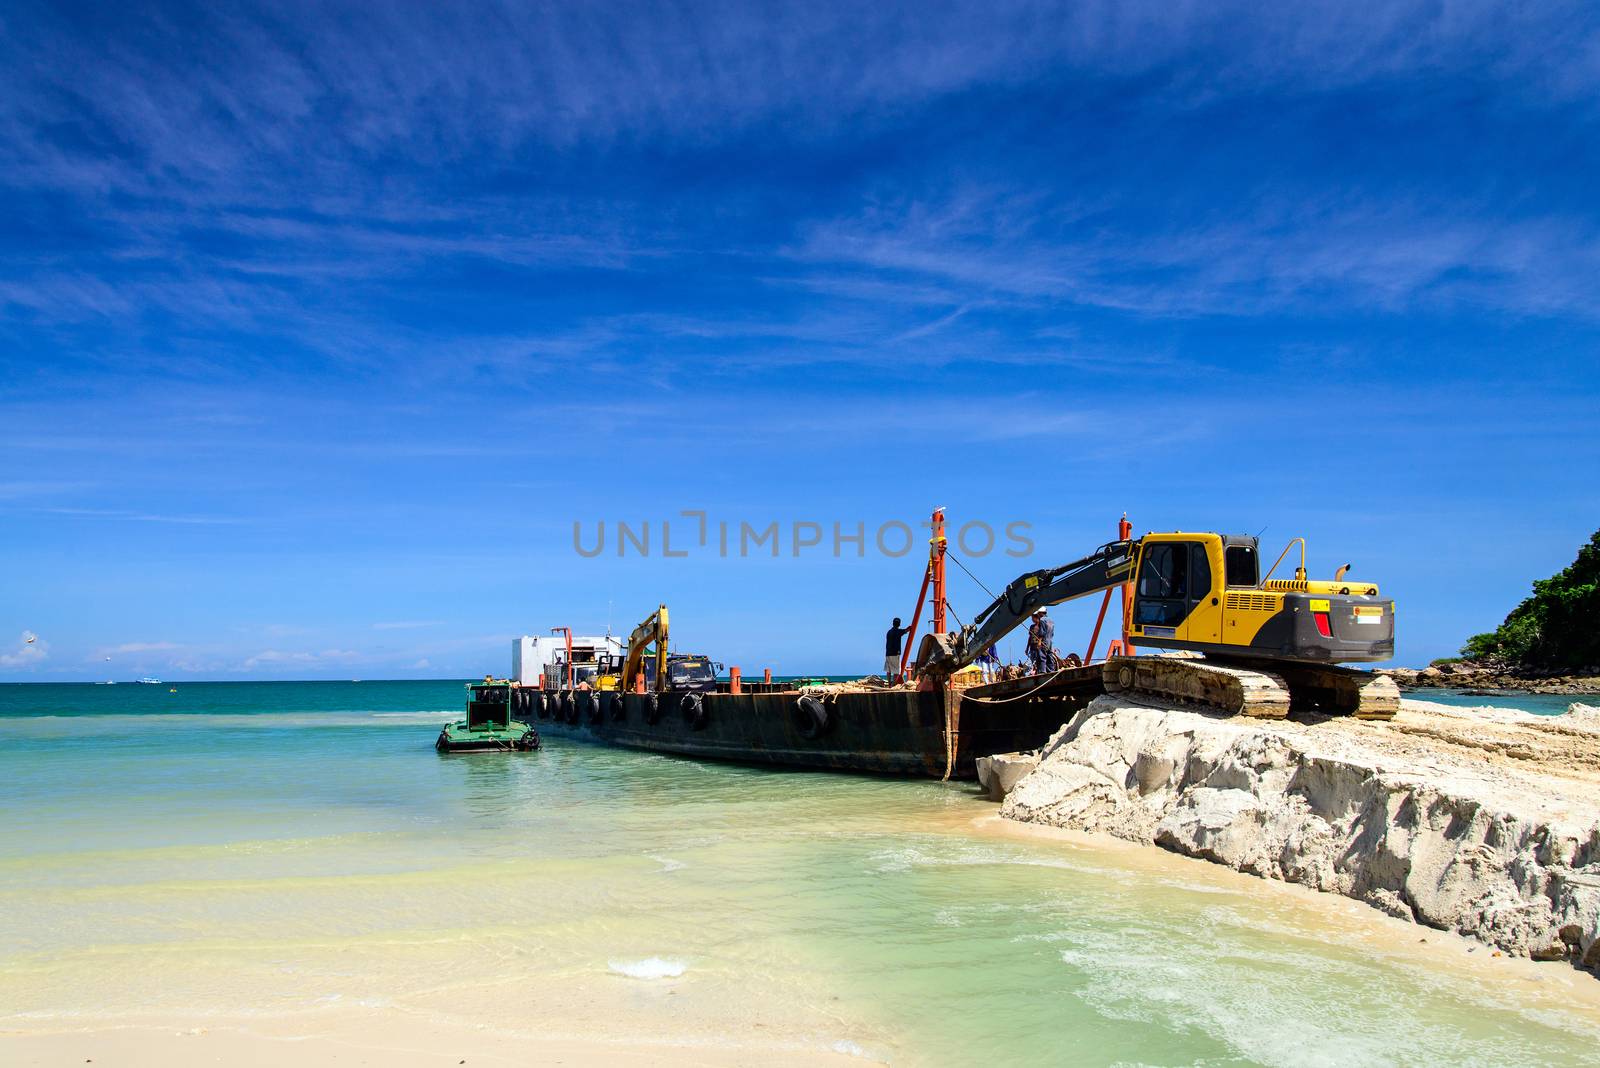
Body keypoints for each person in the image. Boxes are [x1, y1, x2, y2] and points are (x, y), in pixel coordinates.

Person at [1026, 608, 1056, 675]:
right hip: (1050, 641)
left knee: (1041, 657)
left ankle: (1042, 672)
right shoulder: (1051, 620)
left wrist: (1039, 642)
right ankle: (1051, 671)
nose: (1038, 615)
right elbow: (1052, 633)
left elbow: (1042, 632)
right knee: (1049, 656)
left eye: (1038, 613)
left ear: (1041, 613)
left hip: (1043, 641)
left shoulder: (1042, 620)